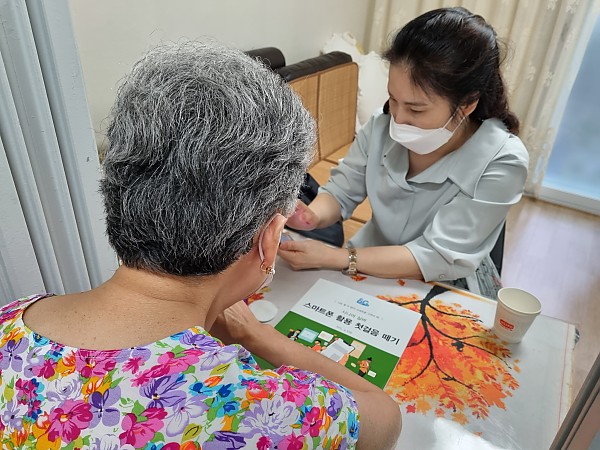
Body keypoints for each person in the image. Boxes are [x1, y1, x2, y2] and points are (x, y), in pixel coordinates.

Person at [0, 42, 401, 449]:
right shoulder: (260, 411)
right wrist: (260, 337)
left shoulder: (9, 323)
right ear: (269, 238)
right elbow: (384, 420)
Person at [279, 7, 529, 296]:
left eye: (415, 108)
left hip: (445, 285)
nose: (397, 117)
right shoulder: (381, 125)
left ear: (467, 104)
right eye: (393, 99)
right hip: (365, 262)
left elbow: (437, 256)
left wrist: (335, 257)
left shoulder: (502, 161)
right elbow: (342, 191)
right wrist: (312, 215)